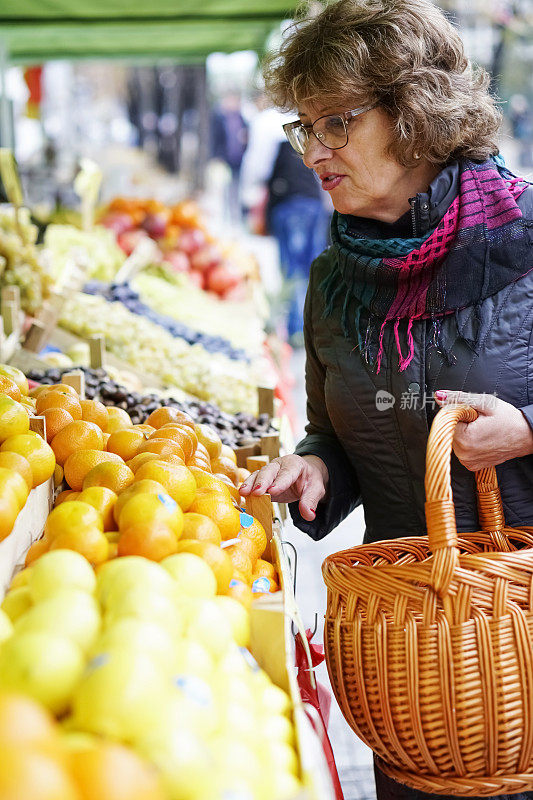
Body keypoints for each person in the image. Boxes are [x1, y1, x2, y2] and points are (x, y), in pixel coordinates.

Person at [240, 2, 533, 799]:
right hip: (415, 662)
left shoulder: (524, 239)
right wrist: (314, 473)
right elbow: (335, 434)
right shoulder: (334, 278)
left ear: (412, 115)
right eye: (302, 128)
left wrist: (526, 432)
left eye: (334, 123)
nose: (312, 153)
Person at [240, 99, 330, 342]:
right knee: (313, 265)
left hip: (287, 201)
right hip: (312, 201)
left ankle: (298, 328)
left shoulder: (266, 122)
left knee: (291, 266)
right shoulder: (313, 116)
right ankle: (313, 326)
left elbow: (256, 166)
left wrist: (248, 199)